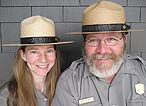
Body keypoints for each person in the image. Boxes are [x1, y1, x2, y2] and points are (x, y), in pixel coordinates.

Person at [52, 1, 146, 106]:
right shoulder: (70, 82)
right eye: (93, 40)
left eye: (111, 39)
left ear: (124, 39)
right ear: (84, 43)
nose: (102, 50)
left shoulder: (143, 72)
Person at [0, 15, 73, 106]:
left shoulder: (66, 85)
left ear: (55, 53)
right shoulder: (7, 96)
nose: (43, 59)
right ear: (23, 55)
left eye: (49, 51)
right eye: (34, 52)